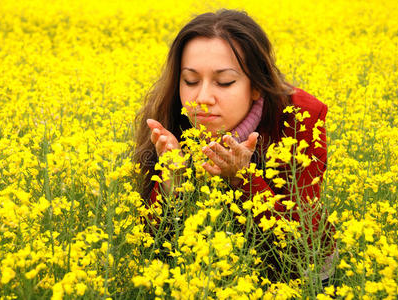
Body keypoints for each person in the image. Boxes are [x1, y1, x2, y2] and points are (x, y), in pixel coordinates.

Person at [134, 9, 335, 283]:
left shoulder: (300, 118)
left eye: (225, 81)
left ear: (257, 86)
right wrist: (171, 180)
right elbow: (149, 248)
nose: (202, 98)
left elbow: (303, 243)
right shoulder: (171, 122)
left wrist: (244, 178)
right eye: (190, 81)